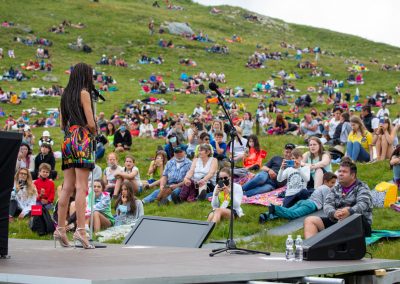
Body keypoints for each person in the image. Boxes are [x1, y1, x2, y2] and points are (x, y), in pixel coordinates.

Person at [57, 62, 97, 249]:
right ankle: (81, 231)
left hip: (67, 139)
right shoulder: (84, 93)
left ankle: (61, 229)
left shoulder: (65, 95)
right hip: (82, 137)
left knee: (67, 187)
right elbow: (90, 122)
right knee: (82, 187)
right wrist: (95, 131)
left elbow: (61, 124)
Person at [304, 160, 373, 238]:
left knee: (345, 214)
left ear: (353, 175)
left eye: (344, 172)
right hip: (338, 221)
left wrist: (349, 211)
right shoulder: (336, 188)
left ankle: (328, 241)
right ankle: (309, 248)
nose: (340, 174)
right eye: (339, 171)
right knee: (310, 220)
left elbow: (364, 204)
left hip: (359, 224)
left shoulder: (362, 187)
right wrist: (334, 213)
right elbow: (327, 204)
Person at [259, 172, 337, 223]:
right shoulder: (326, 188)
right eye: (332, 183)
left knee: (287, 211)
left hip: (303, 202)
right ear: (326, 181)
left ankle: (266, 215)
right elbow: (327, 202)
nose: (333, 185)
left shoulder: (320, 187)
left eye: (335, 183)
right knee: (293, 214)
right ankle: (274, 208)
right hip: (310, 205)